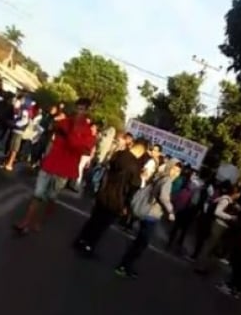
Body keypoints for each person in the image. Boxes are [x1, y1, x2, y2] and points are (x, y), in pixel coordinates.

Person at [13, 99, 96, 236]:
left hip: (64, 168)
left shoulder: (87, 131)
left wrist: (72, 132)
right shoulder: (65, 121)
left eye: (83, 109)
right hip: (51, 162)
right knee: (38, 194)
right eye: (78, 108)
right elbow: (51, 129)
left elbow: (81, 147)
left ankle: (40, 221)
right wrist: (56, 124)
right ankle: (25, 222)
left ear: (87, 111)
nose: (79, 111)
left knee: (51, 197)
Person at [73, 136, 147, 257]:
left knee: (94, 219)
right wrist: (126, 205)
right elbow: (134, 186)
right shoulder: (134, 166)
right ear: (141, 150)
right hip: (117, 199)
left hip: (105, 191)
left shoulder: (119, 154)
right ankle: (89, 246)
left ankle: (80, 240)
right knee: (102, 225)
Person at [115, 158, 182, 278]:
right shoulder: (167, 181)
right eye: (174, 169)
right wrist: (170, 211)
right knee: (141, 243)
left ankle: (125, 264)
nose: (175, 173)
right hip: (151, 214)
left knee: (140, 241)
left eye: (178, 172)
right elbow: (163, 197)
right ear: (169, 167)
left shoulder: (160, 177)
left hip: (147, 212)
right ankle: (125, 266)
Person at [194, 182, 241, 273]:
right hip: (218, 225)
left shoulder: (229, 201)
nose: (239, 196)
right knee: (209, 246)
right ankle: (200, 266)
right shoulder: (225, 200)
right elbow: (217, 212)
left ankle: (204, 266)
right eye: (239, 193)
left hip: (222, 226)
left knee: (212, 247)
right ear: (235, 193)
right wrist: (231, 217)